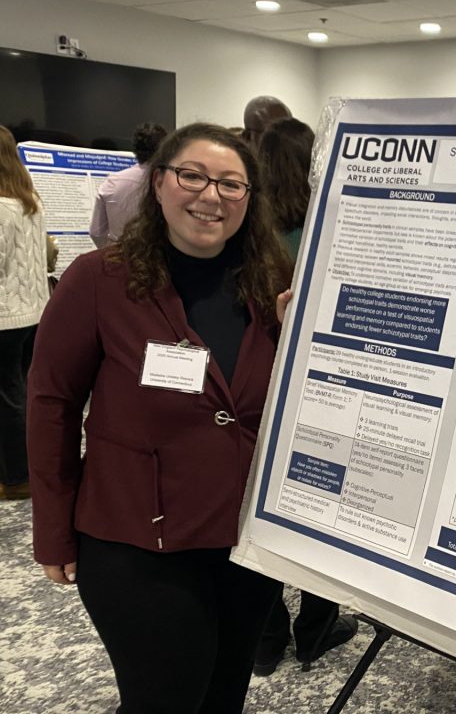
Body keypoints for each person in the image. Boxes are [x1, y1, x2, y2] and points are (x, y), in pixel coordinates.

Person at [28, 123, 293, 714]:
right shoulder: (99, 280)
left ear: (250, 199)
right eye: (192, 176)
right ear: (158, 184)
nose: (211, 195)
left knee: (224, 694)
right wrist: (52, 528)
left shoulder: (273, 287)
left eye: (231, 184)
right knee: (165, 699)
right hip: (138, 541)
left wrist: (299, 338)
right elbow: (51, 406)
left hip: (243, 540)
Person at [253, 116, 358, 676]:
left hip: (257, 390)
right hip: (322, 391)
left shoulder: (251, 234)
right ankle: (317, 629)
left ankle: (266, 638)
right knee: (319, 503)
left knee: (258, 509)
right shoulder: (333, 222)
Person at [0, 125, 49, 501]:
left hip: (5, 317)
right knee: (24, 394)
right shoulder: (30, 200)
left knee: (8, 399)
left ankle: (17, 478)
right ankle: (32, 468)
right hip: (34, 312)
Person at [90, 122, 168, 247]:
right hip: (158, 254)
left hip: (118, 254)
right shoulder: (169, 183)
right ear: (165, 149)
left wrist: (113, 250)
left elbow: (96, 232)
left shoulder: (112, 182)